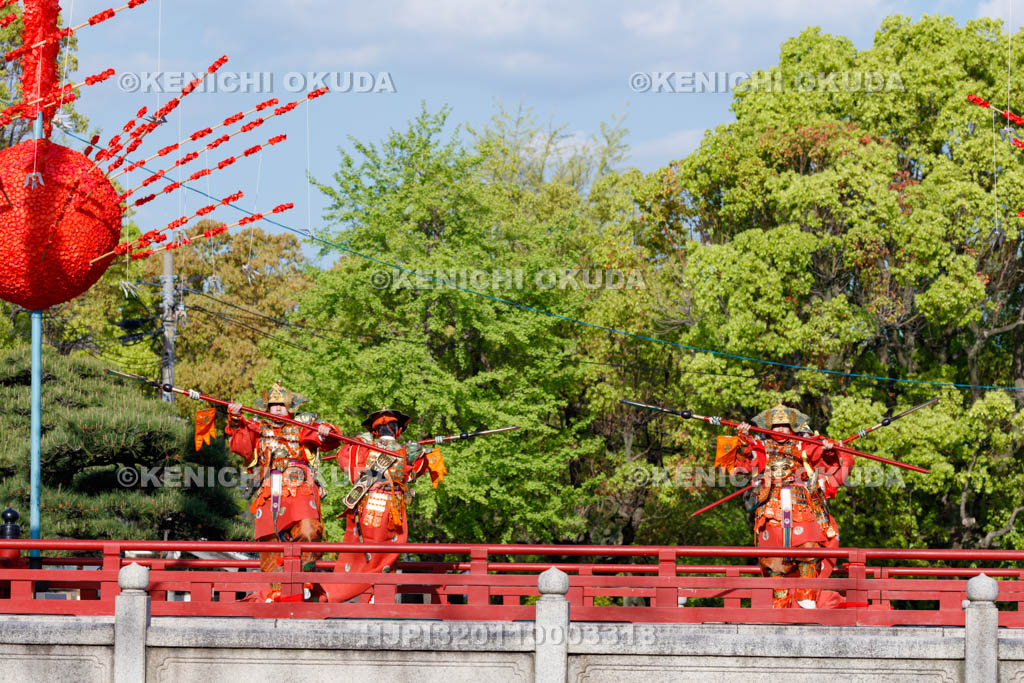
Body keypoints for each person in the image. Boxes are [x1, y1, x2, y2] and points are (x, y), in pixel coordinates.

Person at [225, 381, 342, 602]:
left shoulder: (302, 425)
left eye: (282, 404)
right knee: (269, 540)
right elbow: (241, 446)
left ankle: (304, 578)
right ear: (267, 408)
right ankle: (276, 589)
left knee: (309, 531)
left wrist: (326, 431)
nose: (277, 408)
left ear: (291, 407)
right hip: (270, 488)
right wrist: (236, 419)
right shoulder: (258, 427)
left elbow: (328, 440)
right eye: (273, 405)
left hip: (299, 487)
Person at [734, 403, 854, 609]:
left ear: (793, 428)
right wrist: (743, 439)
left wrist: (828, 448)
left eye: (785, 426)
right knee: (772, 555)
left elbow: (828, 458)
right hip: (771, 504)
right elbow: (743, 466)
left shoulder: (803, 445)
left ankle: (806, 592)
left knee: (810, 545)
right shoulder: (761, 446)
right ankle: (779, 599)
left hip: (800, 501)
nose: (780, 430)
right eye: (776, 426)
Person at [321, 407, 445, 603]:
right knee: (373, 550)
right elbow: (346, 459)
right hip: (373, 502)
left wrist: (422, 453)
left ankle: (378, 594)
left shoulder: (405, 450)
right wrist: (359, 442)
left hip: (394, 506)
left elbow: (415, 471)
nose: (388, 429)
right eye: (384, 426)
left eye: (391, 425)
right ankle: (361, 591)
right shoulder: (364, 447)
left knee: (390, 550)